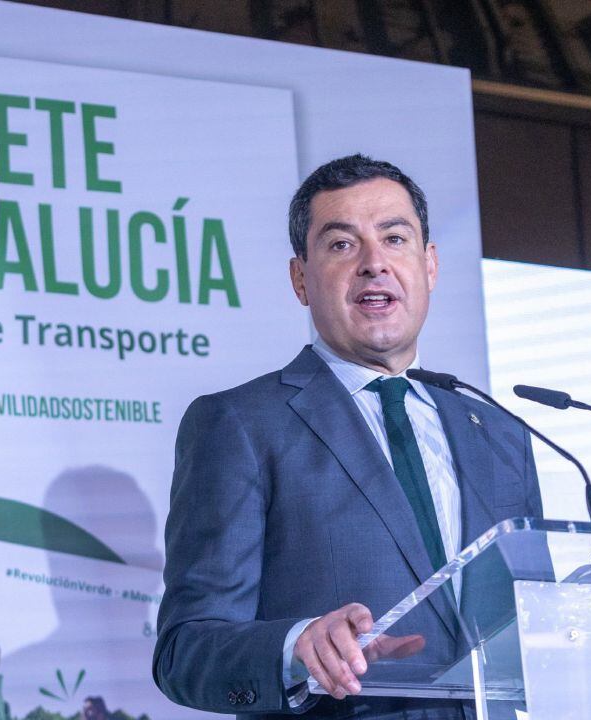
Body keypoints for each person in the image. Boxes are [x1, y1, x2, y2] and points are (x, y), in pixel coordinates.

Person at [152, 155, 542, 719]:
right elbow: (184, 651)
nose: (373, 264)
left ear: (429, 266)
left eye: (395, 238)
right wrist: (297, 646)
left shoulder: (501, 432)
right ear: (300, 279)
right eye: (341, 245)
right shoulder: (240, 424)